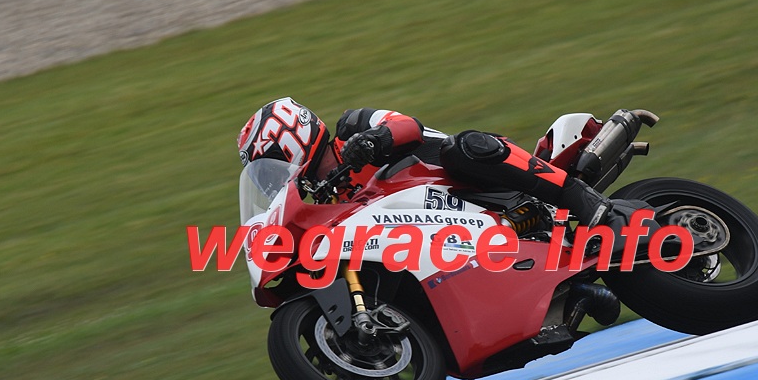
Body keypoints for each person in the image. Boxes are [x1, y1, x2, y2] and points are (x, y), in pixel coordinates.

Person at [237, 97, 647, 230]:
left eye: (269, 165)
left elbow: (407, 126)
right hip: (446, 233)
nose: (271, 180)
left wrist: (374, 141)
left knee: (463, 147)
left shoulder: (353, 126)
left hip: (474, 182)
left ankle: (580, 198)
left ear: (289, 139)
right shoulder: (327, 200)